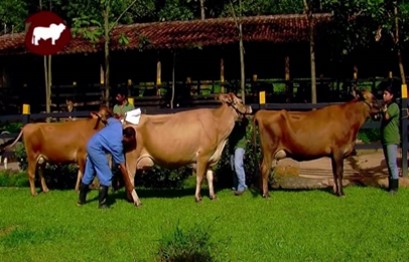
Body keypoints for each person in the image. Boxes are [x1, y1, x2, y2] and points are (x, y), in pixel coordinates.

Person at [77, 116, 136, 208]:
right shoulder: (117, 146)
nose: (128, 143)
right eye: (128, 141)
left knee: (89, 174)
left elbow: (108, 120)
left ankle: (81, 201)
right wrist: (129, 184)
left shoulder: (117, 125)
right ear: (124, 136)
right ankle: (102, 204)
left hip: (91, 144)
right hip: (96, 149)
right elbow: (122, 167)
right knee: (107, 175)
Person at [380, 85, 400, 194]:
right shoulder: (387, 105)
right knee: (389, 163)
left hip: (391, 139)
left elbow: (387, 116)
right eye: (383, 93)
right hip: (386, 138)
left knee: (392, 163)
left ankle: (394, 188)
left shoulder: (393, 106)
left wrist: (383, 110)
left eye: (386, 94)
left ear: (391, 95)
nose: (383, 96)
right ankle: (391, 186)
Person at [229, 115, 249, 195]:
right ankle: (236, 186)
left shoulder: (242, 120)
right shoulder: (230, 120)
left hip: (240, 145)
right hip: (232, 145)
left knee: (237, 165)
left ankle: (242, 186)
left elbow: (246, 122)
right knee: (233, 166)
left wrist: (241, 116)